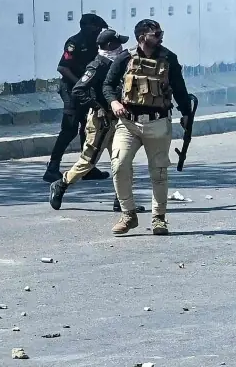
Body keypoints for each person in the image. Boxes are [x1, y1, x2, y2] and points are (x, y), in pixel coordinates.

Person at [104, 19, 191, 236]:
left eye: (161, 32)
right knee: (119, 165)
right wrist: (114, 102)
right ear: (143, 37)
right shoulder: (125, 57)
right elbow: (107, 84)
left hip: (158, 122)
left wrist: (187, 114)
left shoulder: (169, 58)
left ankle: (159, 218)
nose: (161, 36)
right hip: (128, 123)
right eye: (156, 33)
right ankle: (128, 215)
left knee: (159, 172)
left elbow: (180, 89)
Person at [49, 27, 128, 212]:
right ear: (109, 45)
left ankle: (122, 200)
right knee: (88, 161)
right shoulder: (97, 65)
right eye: (118, 43)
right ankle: (60, 185)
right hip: (101, 121)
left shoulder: (117, 64)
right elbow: (78, 90)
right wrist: (96, 106)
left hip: (117, 118)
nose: (122, 46)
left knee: (122, 159)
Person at [45, 13, 110, 183]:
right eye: (96, 28)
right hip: (71, 89)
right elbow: (62, 68)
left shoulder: (97, 43)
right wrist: (81, 83)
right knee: (70, 128)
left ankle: (87, 167)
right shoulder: (74, 43)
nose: (99, 32)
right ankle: (52, 168)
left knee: (87, 128)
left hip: (86, 90)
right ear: (87, 27)